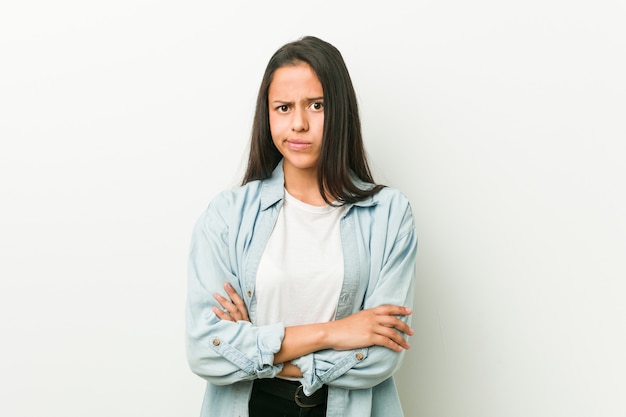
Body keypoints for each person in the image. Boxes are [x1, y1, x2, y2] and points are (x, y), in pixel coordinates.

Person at [186, 35, 418, 417]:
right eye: (283, 107)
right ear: (268, 116)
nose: (298, 123)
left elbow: (379, 357)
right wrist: (333, 332)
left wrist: (253, 350)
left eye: (316, 105)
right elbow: (204, 350)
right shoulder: (227, 215)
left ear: (341, 110)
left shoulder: (390, 214)